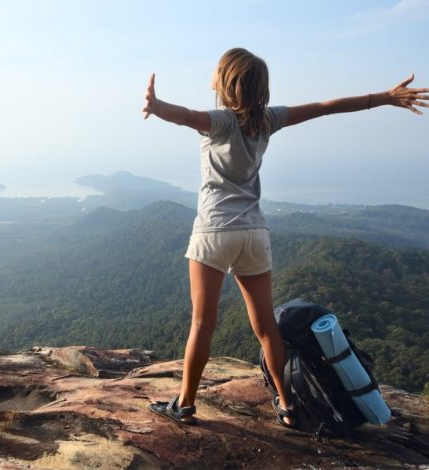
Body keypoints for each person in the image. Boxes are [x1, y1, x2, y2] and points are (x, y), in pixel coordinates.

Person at [143, 47, 428, 428]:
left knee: (202, 324)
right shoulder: (269, 120)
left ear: (227, 81)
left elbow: (185, 117)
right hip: (254, 233)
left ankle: (185, 404)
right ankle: (287, 404)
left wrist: (158, 106)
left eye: (216, 70)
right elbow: (327, 106)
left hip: (214, 230)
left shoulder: (220, 121)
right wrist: (385, 98)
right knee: (265, 327)